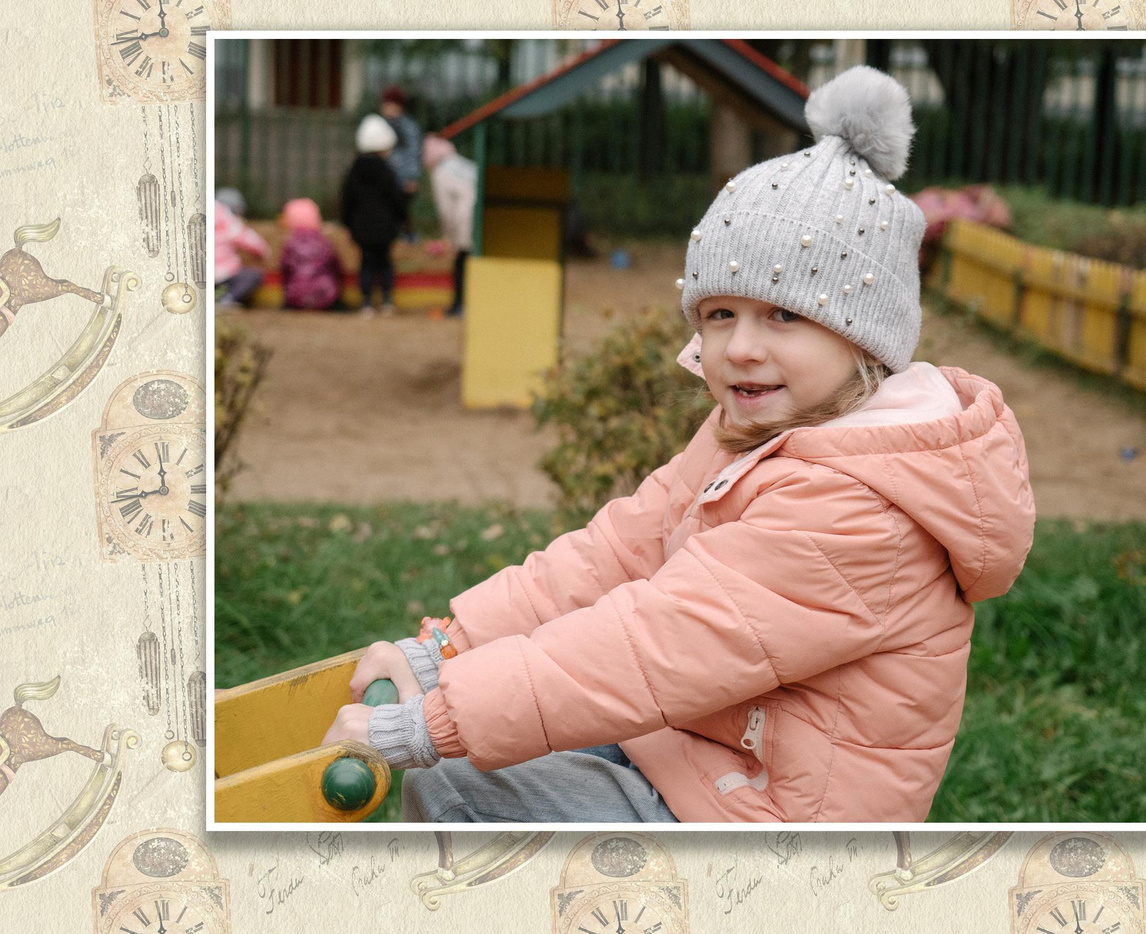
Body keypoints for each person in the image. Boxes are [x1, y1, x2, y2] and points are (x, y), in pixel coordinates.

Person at [321, 69, 1036, 824]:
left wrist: (437, 721)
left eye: (784, 317)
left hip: (772, 820)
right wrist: (449, 652)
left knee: (459, 783)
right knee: (480, 761)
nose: (740, 348)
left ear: (866, 337)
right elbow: (614, 554)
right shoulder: (762, 431)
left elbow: (650, 648)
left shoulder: (858, 512)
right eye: (720, 313)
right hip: (698, 752)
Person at [340, 115, 409, 316]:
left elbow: (346, 199)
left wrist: (347, 223)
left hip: (361, 227)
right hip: (385, 227)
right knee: (385, 263)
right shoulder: (387, 171)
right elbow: (397, 199)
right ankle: (387, 300)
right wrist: (403, 220)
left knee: (366, 263)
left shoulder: (354, 170)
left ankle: (367, 302)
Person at [424, 135, 477, 319]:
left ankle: (459, 305)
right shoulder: (462, 164)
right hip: (481, 219)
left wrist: (450, 238)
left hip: (464, 223)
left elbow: (446, 210)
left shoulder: (441, 173)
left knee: (461, 264)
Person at [276, 197, 344, 312]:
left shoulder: (290, 244)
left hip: (296, 297)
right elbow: (335, 265)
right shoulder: (323, 242)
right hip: (325, 296)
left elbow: (284, 268)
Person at [213, 189, 268, 309]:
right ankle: (227, 299)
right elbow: (254, 243)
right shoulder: (228, 220)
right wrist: (263, 254)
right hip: (223, 275)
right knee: (252, 275)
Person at [377, 85, 425, 201]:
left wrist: (411, 178)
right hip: (384, 179)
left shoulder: (408, 127)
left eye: (388, 104)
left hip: (401, 180)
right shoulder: (382, 125)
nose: (385, 107)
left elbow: (414, 152)